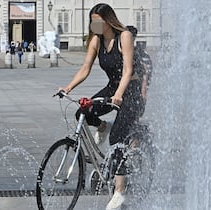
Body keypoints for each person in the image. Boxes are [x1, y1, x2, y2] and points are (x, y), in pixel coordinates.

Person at [58, 3, 142, 210]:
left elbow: (128, 71)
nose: (93, 24)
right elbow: (85, 68)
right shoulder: (96, 40)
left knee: (117, 138)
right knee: (82, 112)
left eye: (97, 20)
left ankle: (120, 191)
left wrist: (119, 95)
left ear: (107, 20)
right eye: (92, 20)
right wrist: (67, 88)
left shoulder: (124, 37)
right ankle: (103, 126)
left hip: (131, 92)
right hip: (113, 88)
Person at [127, 25, 153, 117]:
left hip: (136, 89)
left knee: (133, 116)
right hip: (129, 90)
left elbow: (145, 75)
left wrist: (143, 93)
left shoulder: (139, 54)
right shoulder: (130, 51)